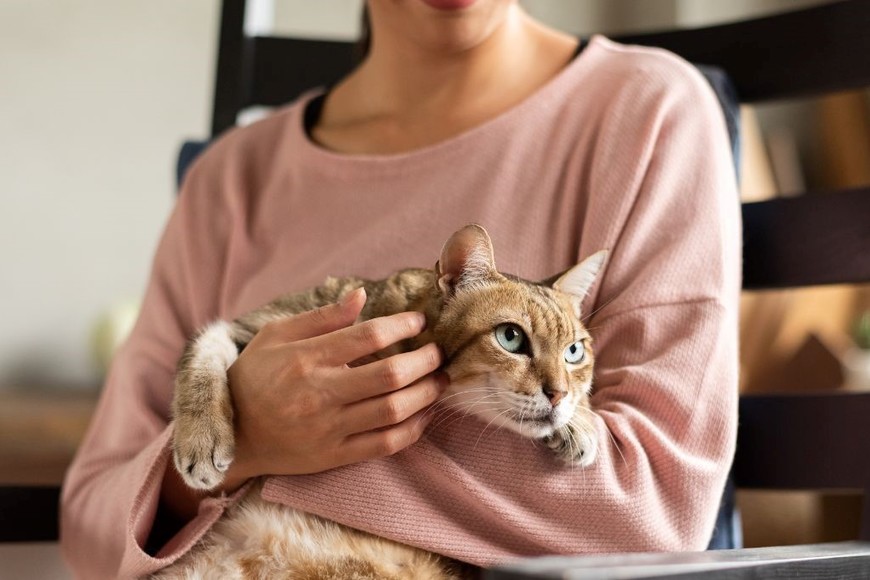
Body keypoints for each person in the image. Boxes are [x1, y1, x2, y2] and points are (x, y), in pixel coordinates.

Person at [60, 0, 741, 577]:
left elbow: (653, 512)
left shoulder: (651, 114)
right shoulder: (230, 181)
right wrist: (242, 432)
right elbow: (93, 517)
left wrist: (275, 444)